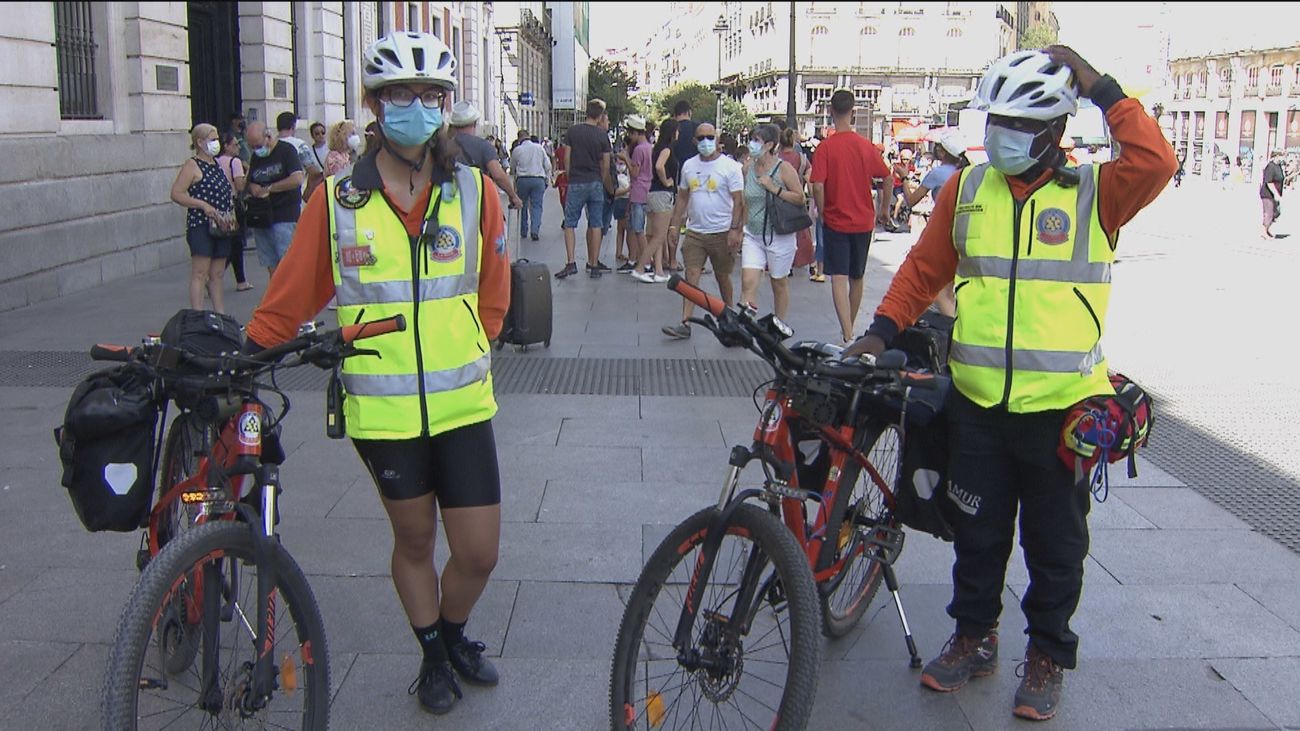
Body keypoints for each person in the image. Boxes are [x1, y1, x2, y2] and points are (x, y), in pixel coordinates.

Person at [844, 46, 1177, 722]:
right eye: (996, 119)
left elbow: (1156, 160)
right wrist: (879, 332)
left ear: (1055, 131)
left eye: (1020, 125)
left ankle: (1048, 653)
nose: (1002, 135)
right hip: (977, 406)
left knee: (1056, 545)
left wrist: (1097, 82)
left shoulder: (1096, 193)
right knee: (977, 534)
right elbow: (921, 270)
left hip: (1061, 413)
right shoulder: (968, 189)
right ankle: (974, 637)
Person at [243, 31, 510, 717]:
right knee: (416, 538)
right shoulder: (336, 202)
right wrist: (240, 359)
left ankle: (452, 635)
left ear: (446, 106)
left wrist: (476, 339)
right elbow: (288, 299)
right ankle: (432, 656)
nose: (415, 107)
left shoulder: (476, 191)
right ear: (372, 104)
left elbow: (495, 288)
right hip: (383, 409)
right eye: (399, 95)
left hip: (462, 402)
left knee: (478, 550)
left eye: (429, 96)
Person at [810, 89, 892, 343]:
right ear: (853, 112)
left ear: (831, 111)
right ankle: (850, 327)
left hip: (836, 220)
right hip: (863, 220)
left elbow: (817, 185)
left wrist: (823, 210)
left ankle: (846, 330)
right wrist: (884, 209)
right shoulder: (865, 146)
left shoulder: (825, 148)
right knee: (857, 277)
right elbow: (887, 177)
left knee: (838, 277)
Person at [661, 122, 744, 339]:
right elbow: (682, 198)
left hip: (722, 231)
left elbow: (738, 201)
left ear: (717, 139)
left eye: (710, 136)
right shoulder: (689, 166)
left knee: (722, 277)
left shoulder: (730, 167)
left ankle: (729, 316)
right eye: (701, 137)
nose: (706, 141)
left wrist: (736, 230)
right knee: (691, 275)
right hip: (695, 231)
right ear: (695, 141)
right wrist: (673, 225)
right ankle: (685, 322)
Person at [739, 124, 805, 320]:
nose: (752, 145)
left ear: (769, 145)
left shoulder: (783, 168)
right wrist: (739, 228)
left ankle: (779, 322)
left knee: (778, 282)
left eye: (756, 141)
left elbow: (799, 197)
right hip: (753, 233)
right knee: (748, 281)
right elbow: (745, 201)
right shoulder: (748, 169)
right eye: (751, 140)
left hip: (778, 234)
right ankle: (746, 322)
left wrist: (774, 188)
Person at [169, 123, 235, 313]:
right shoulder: (192, 165)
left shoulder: (217, 165)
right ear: (200, 142)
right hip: (201, 225)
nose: (217, 143)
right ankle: (197, 315)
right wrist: (202, 204)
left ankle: (220, 313)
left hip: (222, 224)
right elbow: (177, 193)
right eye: (212, 140)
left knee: (217, 273)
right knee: (200, 272)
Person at [557, 99, 615, 279]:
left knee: (570, 222)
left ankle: (571, 262)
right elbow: (606, 163)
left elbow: (567, 157)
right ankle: (594, 264)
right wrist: (602, 178)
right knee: (596, 223)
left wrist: (569, 174)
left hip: (576, 181)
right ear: (599, 117)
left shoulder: (573, 131)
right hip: (595, 182)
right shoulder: (601, 135)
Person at [244, 120, 305, 275]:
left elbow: (297, 178)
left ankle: (290, 297)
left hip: (284, 214)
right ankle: (276, 295)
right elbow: (251, 180)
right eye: (252, 147)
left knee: (287, 262)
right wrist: (253, 188)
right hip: (262, 215)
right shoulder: (257, 157)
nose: (256, 150)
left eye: (258, 145)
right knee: (270, 263)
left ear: (268, 136)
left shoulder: (286, 151)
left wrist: (270, 188)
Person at [450, 101, 523, 209]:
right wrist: (513, 196)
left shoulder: (442, 146)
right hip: (476, 202)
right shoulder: (483, 146)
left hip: (448, 202)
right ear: (474, 123)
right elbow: (497, 175)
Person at [622, 116, 666, 283]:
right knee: (646, 229)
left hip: (638, 191)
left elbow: (634, 173)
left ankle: (645, 262)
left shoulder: (639, 149)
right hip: (648, 189)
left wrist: (626, 158)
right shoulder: (650, 147)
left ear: (635, 132)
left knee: (638, 229)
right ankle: (647, 261)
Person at [215, 131, 253, 292]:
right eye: (235, 144)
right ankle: (231, 278)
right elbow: (240, 186)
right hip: (234, 205)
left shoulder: (214, 162)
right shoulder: (235, 162)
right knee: (236, 243)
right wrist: (248, 172)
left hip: (218, 205)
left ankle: (240, 279)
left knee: (227, 242)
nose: (238, 147)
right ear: (226, 146)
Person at [510, 132, 553, 241]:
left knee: (522, 205)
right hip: (538, 179)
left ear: (519, 139)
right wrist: (547, 179)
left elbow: (512, 168)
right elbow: (548, 165)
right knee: (537, 205)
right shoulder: (539, 148)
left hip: (523, 180)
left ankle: (523, 230)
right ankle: (535, 230)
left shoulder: (517, 150)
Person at [277, 111, 323, 202]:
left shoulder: (270, 144)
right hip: (293, 195)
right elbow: (313, 171)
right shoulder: (299, 145)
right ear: (293, 126)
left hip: (272, 194)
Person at [1261, 149, 1285, 238]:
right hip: (1267, 193)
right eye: (1282, 156)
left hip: (1276, 194)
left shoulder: (1278, 166)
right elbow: (1269, 182)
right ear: (1277, 156)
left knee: (1277, 212)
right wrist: (1276, 194)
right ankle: (1263, 232)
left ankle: (1267, 230)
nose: (1283, 158)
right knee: (1269, 213)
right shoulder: (1270, 166)